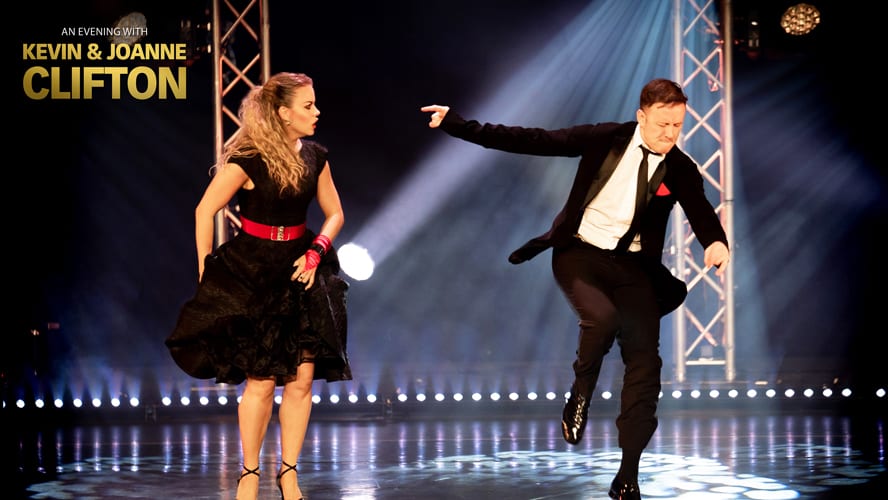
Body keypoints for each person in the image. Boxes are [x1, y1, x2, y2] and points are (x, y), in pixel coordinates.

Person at [421, 78, 729, 500]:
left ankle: (627, 475)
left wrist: (715, 243)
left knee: (645, 365)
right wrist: (458, 125)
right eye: (661, 124)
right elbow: (534, 141)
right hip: (580, 254)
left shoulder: (679, 168)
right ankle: (580, 393)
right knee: (601, 320)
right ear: (642, 116)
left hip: (634, 267)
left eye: (677, 125)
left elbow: (701, 211)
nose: (669, 134)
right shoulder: (605, 138)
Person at [165, 72, 351, 500]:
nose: (317, 112)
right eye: (308, 106)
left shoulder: (316, 157)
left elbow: (335, 213)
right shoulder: (247, 159)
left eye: (315, 104)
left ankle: (288, 474)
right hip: (253, 270)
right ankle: (249, 473)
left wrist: (316, 251)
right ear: (283, 113)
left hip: (303, 266)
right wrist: (205, 270)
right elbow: (204, 210)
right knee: (263, 381)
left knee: (301, 379)